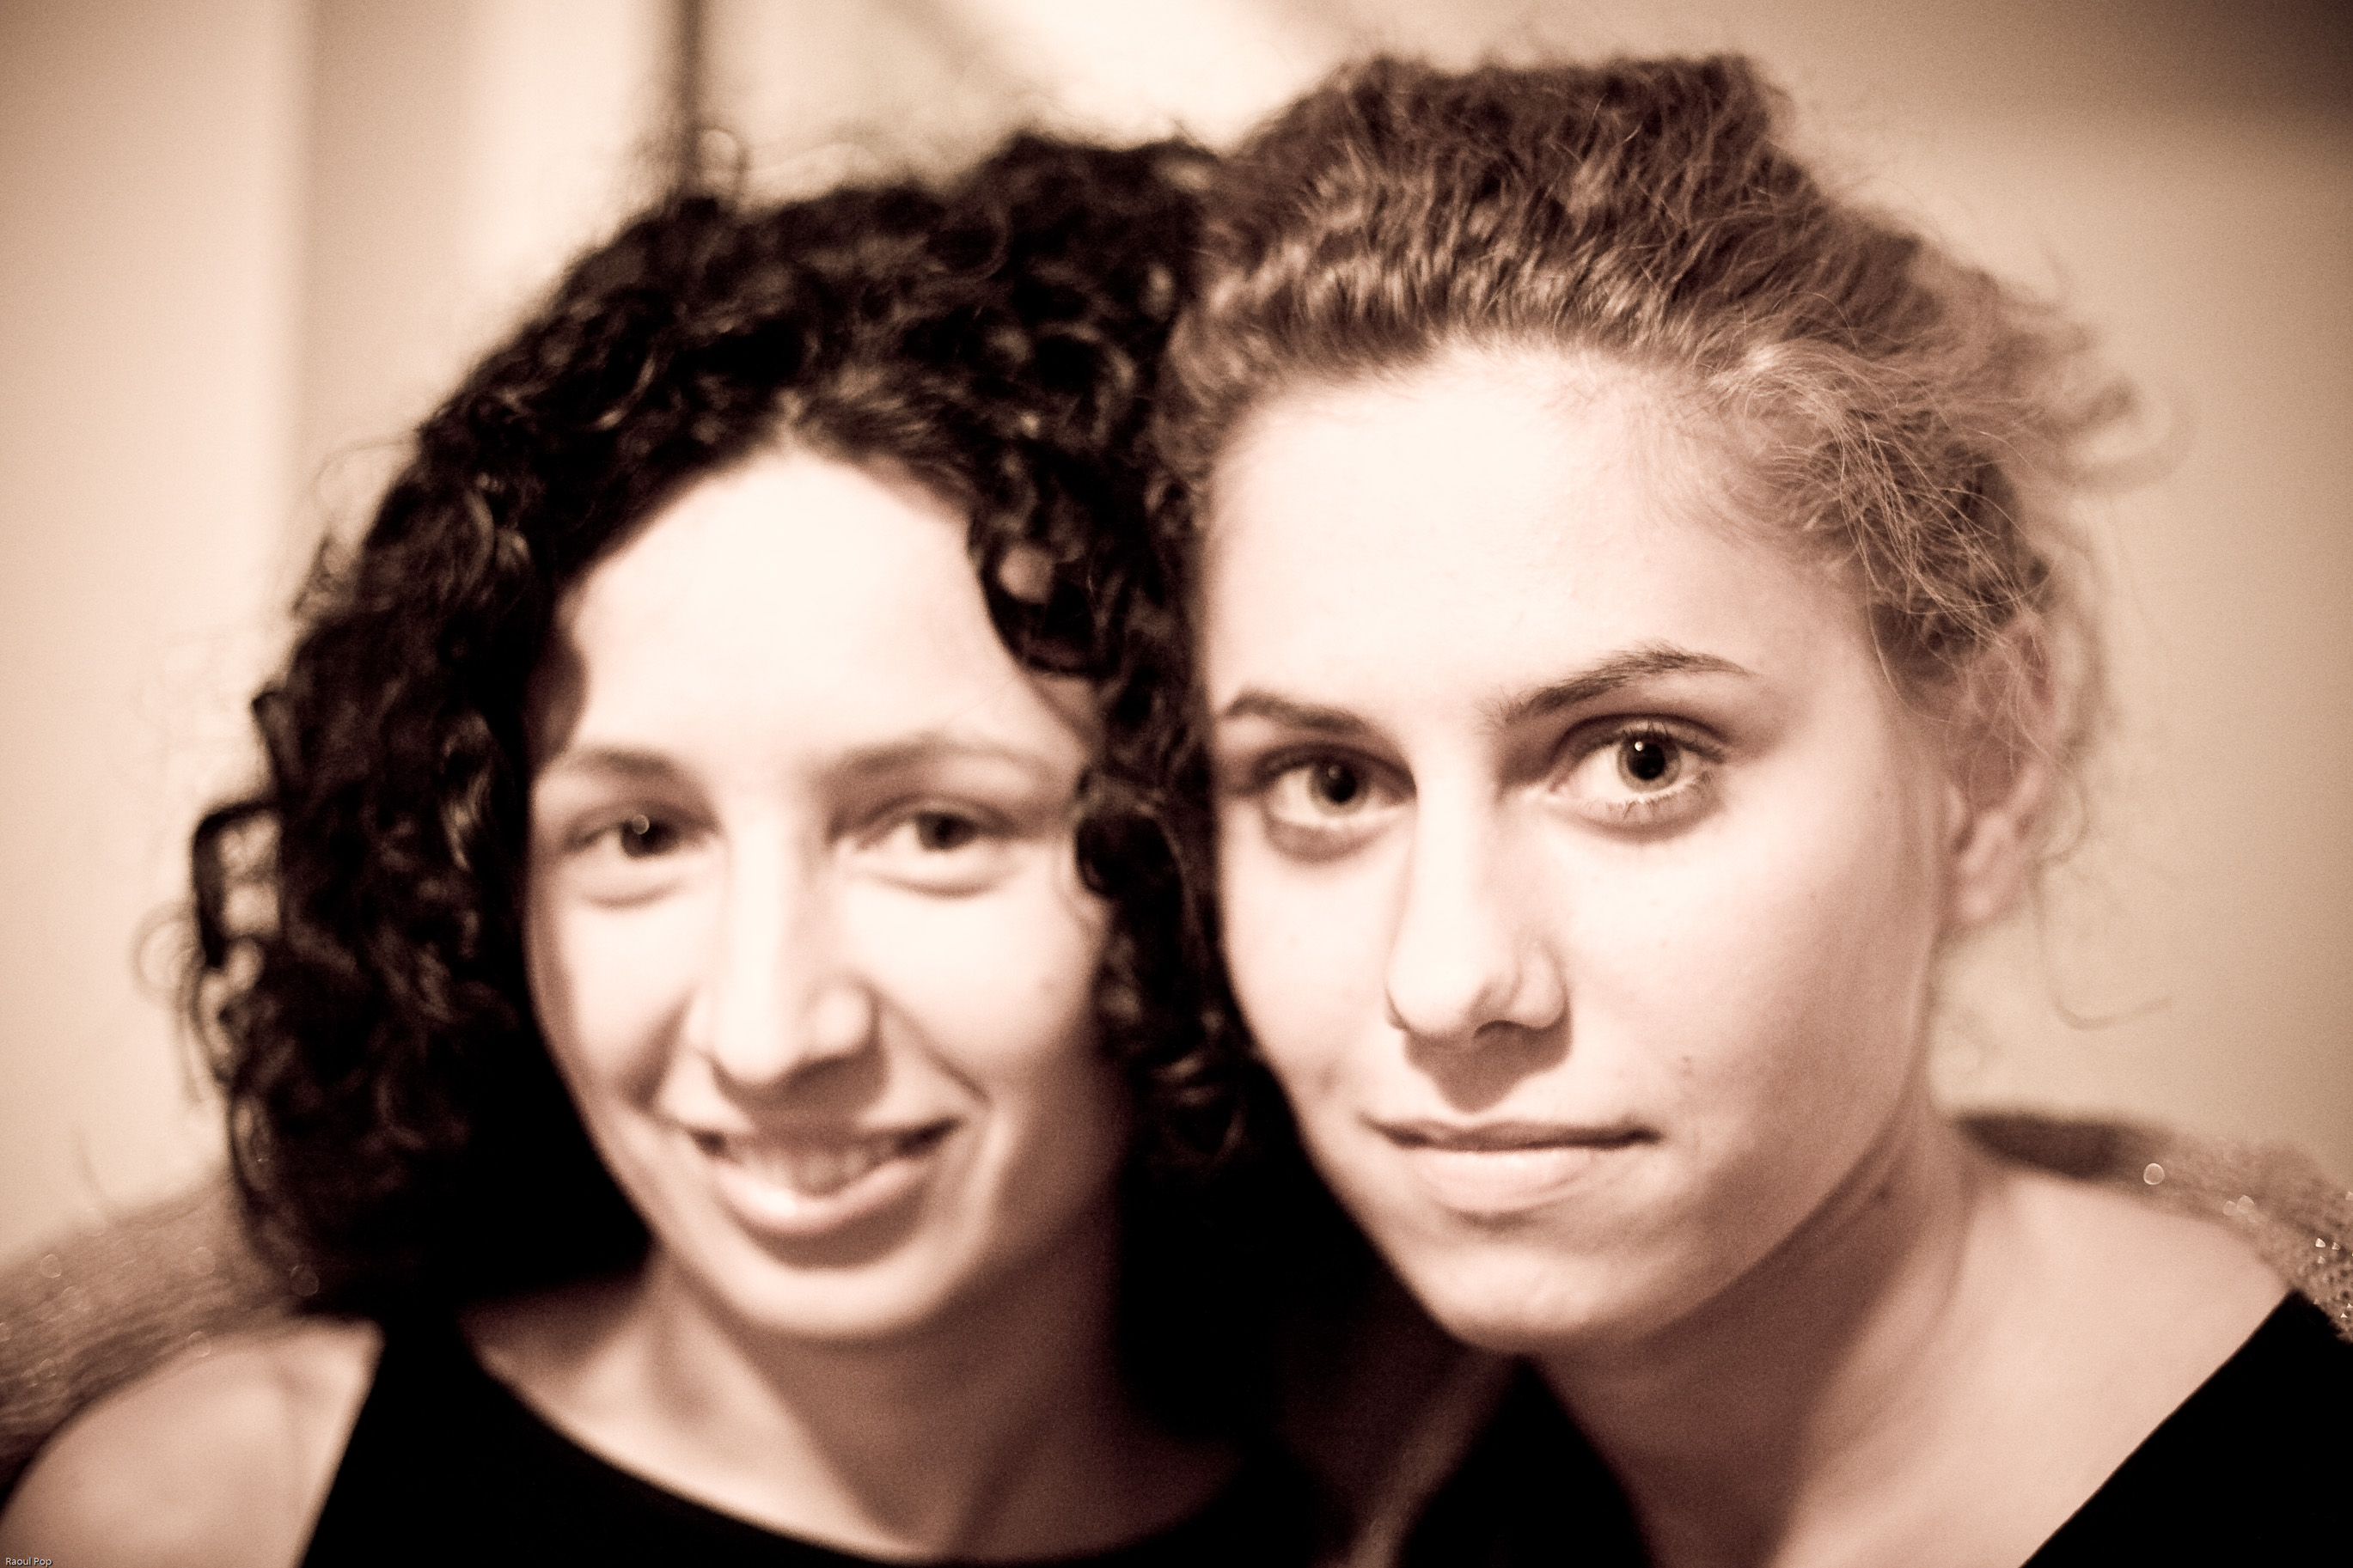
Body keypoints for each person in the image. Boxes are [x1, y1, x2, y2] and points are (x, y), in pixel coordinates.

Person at [0, 133, 1324, 1565]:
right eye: (638, 835)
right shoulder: (212, 1517)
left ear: (1192, 853)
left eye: (936, 829)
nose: (767, 1033)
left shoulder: (1395, 1532)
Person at [1138, 55, 2353, 1566]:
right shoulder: (1374, 1451)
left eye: (1641, 759)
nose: (1445, 981)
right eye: (1328, 781)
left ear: (1983, 765)